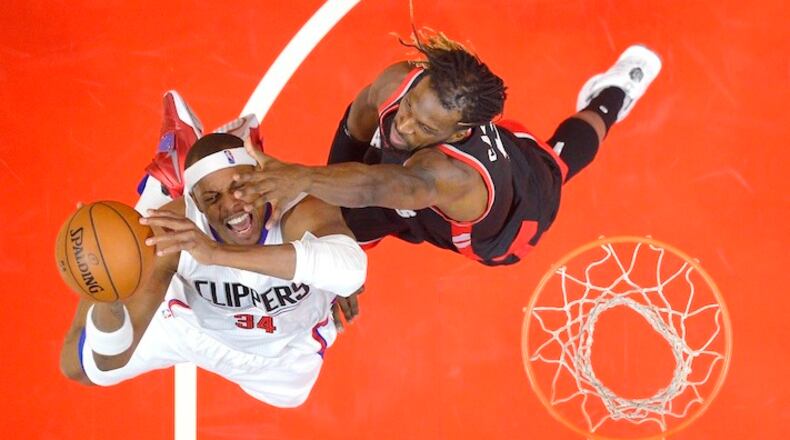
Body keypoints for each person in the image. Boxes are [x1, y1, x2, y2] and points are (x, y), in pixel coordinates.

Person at [233, 32, 662, 266]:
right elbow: (360, 115)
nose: (401, 125)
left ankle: (611, 98)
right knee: (315, 216)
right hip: (410, 179)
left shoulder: (448, 175)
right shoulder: (402, 81)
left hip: (509, 222)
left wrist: (303, 179)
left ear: (458, 133)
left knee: (560, 162)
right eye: (408, 108)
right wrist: (333, 199)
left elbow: (371, 187)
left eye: (422, 126)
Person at [59, 130, 367, 408]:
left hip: (282, 351)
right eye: (212, 197)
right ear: (195, 203)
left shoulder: (300, 209)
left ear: (261, 177)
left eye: (241, 187)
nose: (232, 204)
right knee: (79, 366)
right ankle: (150, 207)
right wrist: (108, 292)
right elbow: (112, 358)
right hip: (192, 326)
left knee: (292, 397)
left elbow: (352, 270)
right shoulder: (175, 230)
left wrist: (216, 253)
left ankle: (159, 191)